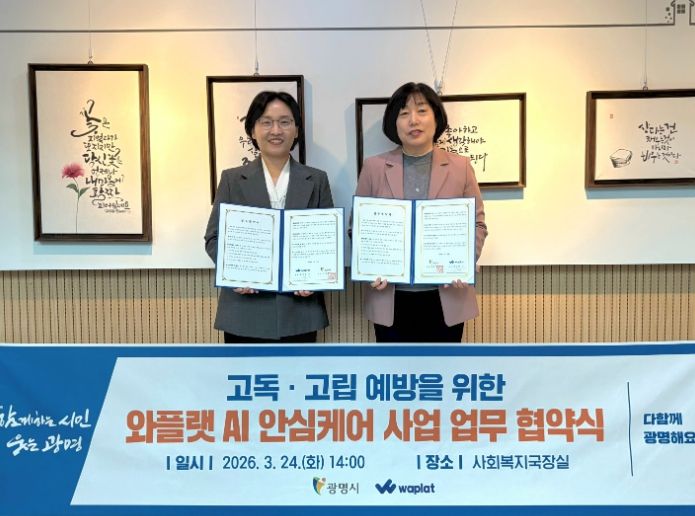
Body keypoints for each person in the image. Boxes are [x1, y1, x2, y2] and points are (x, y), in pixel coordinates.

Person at [354, 82, 488, 343]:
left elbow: (477, 224)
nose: (413, 120)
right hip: (390, 296)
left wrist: (463, 262)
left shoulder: (460, 167)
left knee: (442, 367)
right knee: (393, 368)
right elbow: (358, 228)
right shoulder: (374, 167)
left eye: (422, 111)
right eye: (404, 113)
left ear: (436, 118)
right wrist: (370, 268)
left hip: (447, 294)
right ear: (394, 123)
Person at [205, 91, 334, 343]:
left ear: (296, 130)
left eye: (285, 122)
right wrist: (234, 273)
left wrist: (316, 279)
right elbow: (213, 237)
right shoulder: (232, 179)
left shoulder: (317, 179)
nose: (276, 130)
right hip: (244, 311)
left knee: (300, 370)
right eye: (266, 122)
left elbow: (328, 242)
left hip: (300, 311)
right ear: (253, 131)